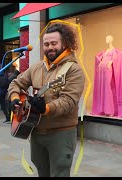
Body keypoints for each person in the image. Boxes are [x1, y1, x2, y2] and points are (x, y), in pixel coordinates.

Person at [7, 23, 85, 177]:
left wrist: (46, 108)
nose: (50, 47)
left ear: (65, 43)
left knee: (59, 172)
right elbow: (16, 83)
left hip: (61, 133)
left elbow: (68, 101)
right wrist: (15, 98)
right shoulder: (36, 67)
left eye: (54, 43)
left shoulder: (73, 70)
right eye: (46, 44)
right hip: (36, 130)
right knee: (42, 172)